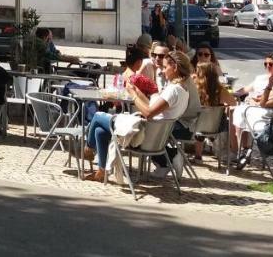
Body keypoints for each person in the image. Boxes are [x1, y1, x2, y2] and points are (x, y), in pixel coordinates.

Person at [82, 48, 192, 182]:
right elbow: (151, 108)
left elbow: (148, 113)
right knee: (100, 130)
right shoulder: (184, 91)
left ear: (174, 67)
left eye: (165, 67)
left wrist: (133, 96)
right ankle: (101, 171)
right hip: (155, 137)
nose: (162, 71)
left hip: (141, 136)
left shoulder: (173, 90)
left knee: (98, 116)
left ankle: (88, 148)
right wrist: (137, 92)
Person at [230, 52, 273, 169]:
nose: (267, 66)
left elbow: (265, 102)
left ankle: (243, 151)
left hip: (271, 119)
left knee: (240, 112)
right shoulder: (268, 79)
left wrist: (263, 93)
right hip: (267, 113)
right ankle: (244, 150)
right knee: (239, 111)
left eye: (271, 64)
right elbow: (261, 98)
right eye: (265, 64)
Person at [190, 60, 237, 161]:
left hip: (196, 126)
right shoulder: (220, 90)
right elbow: (233, 103)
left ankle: (198, 155)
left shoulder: (194, 87)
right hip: (217, 127)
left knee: (200, 121)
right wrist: (223, 105)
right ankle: (231, 149)